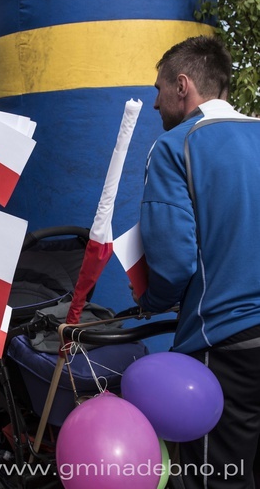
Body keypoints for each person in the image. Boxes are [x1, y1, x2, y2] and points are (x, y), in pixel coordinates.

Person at [136, 35, 260, 489]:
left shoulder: (175, 146)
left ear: (182, 85)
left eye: (159, 89)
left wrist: (152, 301)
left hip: (224, 340)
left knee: (216, 477)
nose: (154, 103)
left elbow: (173, 262)